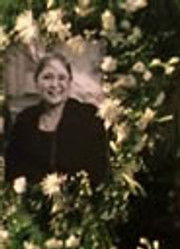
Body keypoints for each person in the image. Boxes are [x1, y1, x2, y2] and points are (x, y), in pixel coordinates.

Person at [5, 52, 108, 186]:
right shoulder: (24, 121)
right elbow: (13, 172)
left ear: (70, 82)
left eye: (61, 78)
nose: (54, 84)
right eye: (47, 77)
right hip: (31, 197)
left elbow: (99, 172)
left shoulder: (89, 117)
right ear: (36, 82)